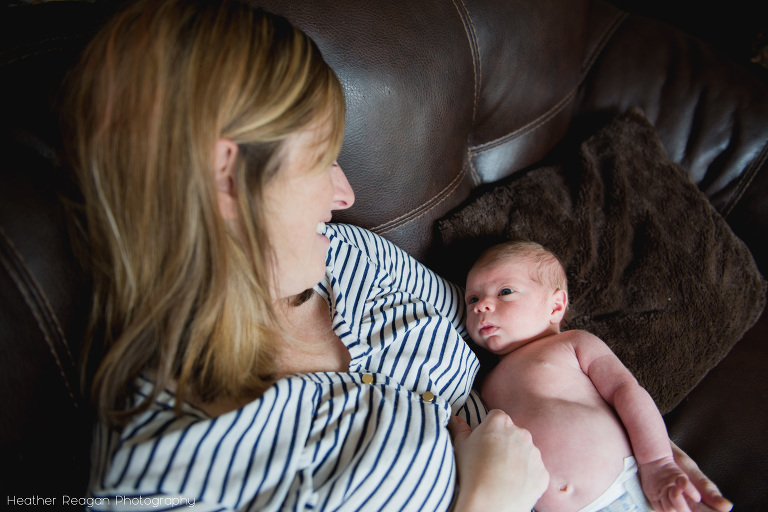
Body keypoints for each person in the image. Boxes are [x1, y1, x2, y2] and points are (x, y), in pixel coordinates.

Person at [62, 1, 731, 511]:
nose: (347, 193)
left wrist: (639, 454)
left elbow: (521, 357)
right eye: (322, 163)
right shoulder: (164, 471)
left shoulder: (355, 259)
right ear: (224, 179)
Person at [464, 240, 720, 512]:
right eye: (473, 299)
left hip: (635, 486)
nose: (482, 306)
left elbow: (625, 390)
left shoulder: (571, 344)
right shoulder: (481, 380)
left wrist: (657, 462)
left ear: (555, 306)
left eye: (504, 291)